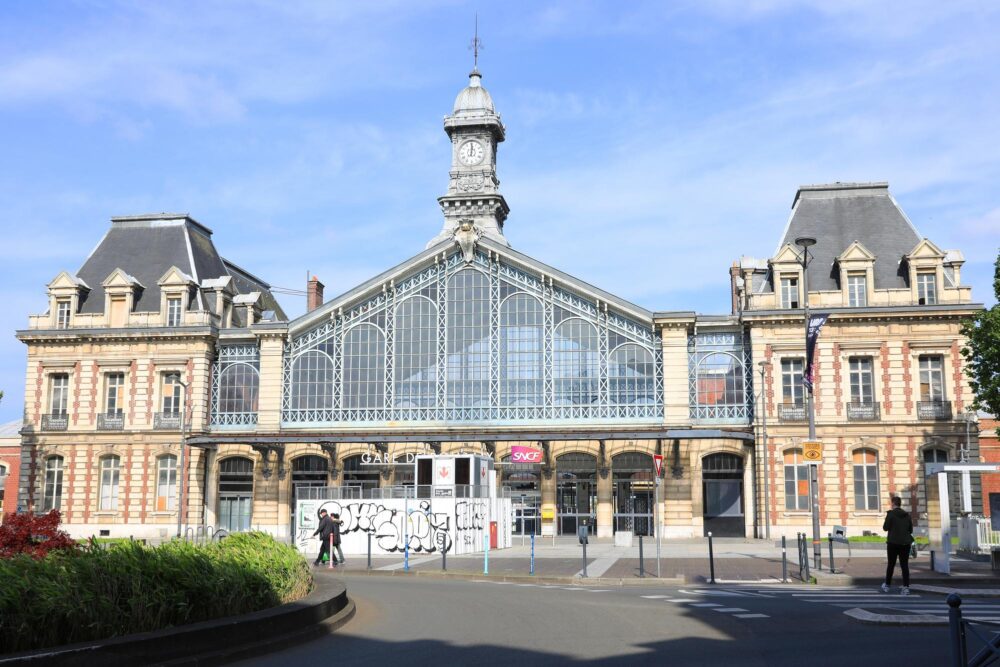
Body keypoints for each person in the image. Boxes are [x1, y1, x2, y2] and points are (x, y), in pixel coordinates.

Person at [881, 496, 914, 595]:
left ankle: (887, 585)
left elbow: (885, 528)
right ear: (900, 504)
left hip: (893, 543)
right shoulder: (907, 515)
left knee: (891, 564)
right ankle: (906, 587)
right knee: (904, 565)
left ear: (893, 504)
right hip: (905, 544)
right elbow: (911, 530)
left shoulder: (890, 514)